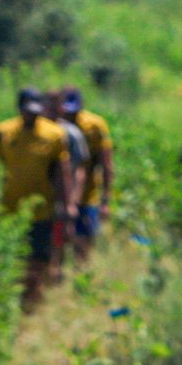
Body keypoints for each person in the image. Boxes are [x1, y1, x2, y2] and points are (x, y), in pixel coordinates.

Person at [0, 87, 73, 311]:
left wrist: (67, 204)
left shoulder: (54, 135)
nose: (32, 116)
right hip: (10, 208)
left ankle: (32, 302)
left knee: (37, 259)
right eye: (28, 111)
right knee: (12, 256)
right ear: (19, 109)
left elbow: (61, 173)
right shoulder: (4, 133)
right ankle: (14, 300)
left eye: (36, 111)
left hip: (41, 210)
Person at [62, 86, 114, 256]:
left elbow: (106, 164)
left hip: (88, 195)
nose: (70, 115)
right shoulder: (54, 125)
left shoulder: (95, 126)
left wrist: (105, 200)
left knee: (84, 243)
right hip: (59, 197)